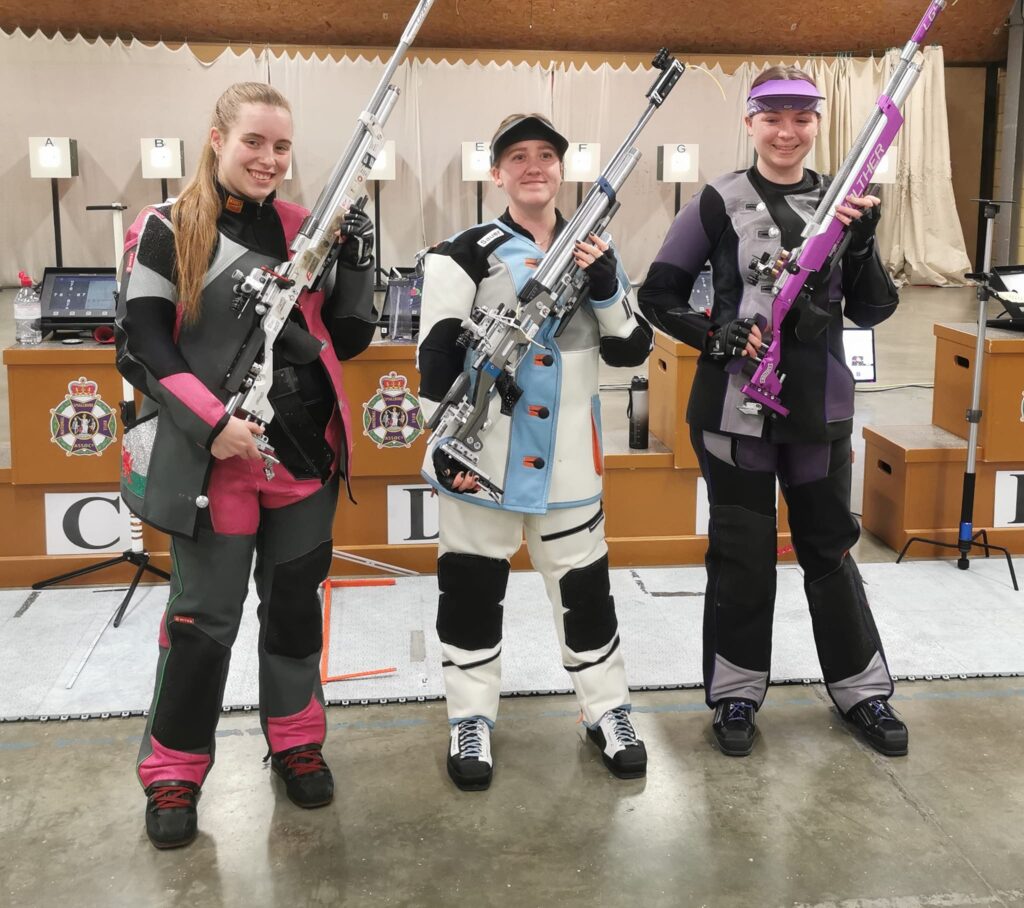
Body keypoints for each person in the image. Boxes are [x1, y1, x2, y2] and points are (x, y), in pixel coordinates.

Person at [116, 82, 377, 848]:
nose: (269, 159)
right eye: (254, 142)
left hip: (302, 461)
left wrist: (360, 254)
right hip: (214, 465)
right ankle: (172, 770)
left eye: (282, 146)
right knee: (202, 624)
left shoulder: (305, 227)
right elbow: (143, 343)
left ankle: (297, 741)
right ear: (217, 139)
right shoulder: (166, 228)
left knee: (296, 613)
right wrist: (212, 422)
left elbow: (351, 337)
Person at [637, 66, 909, 758]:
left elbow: (874, 308)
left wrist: (867, 238)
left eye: (802, 117)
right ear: (750, 123)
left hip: (819, 411)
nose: (787, 131)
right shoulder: (717, 199)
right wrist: (713, 332)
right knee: (741, 556)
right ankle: (735, 695)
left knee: (829, 549)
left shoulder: (846, 201)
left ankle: (861, 693)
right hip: (734, 411)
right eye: (772, 116)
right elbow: (658, 292)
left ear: (818, 125)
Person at [416, 113, 653, 790]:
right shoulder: (461, 251)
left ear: (561, 170)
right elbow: (434, 356)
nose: (532, 167)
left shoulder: (594, 250)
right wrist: (444, 447)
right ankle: (470, 717)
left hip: (572, 460)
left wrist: (606, 285)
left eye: (545, 155)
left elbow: (634, 349)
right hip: (483, 456)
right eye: (516, 157)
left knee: (585, 592)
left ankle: (606, 709)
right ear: (496, 173)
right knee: (469, 589)